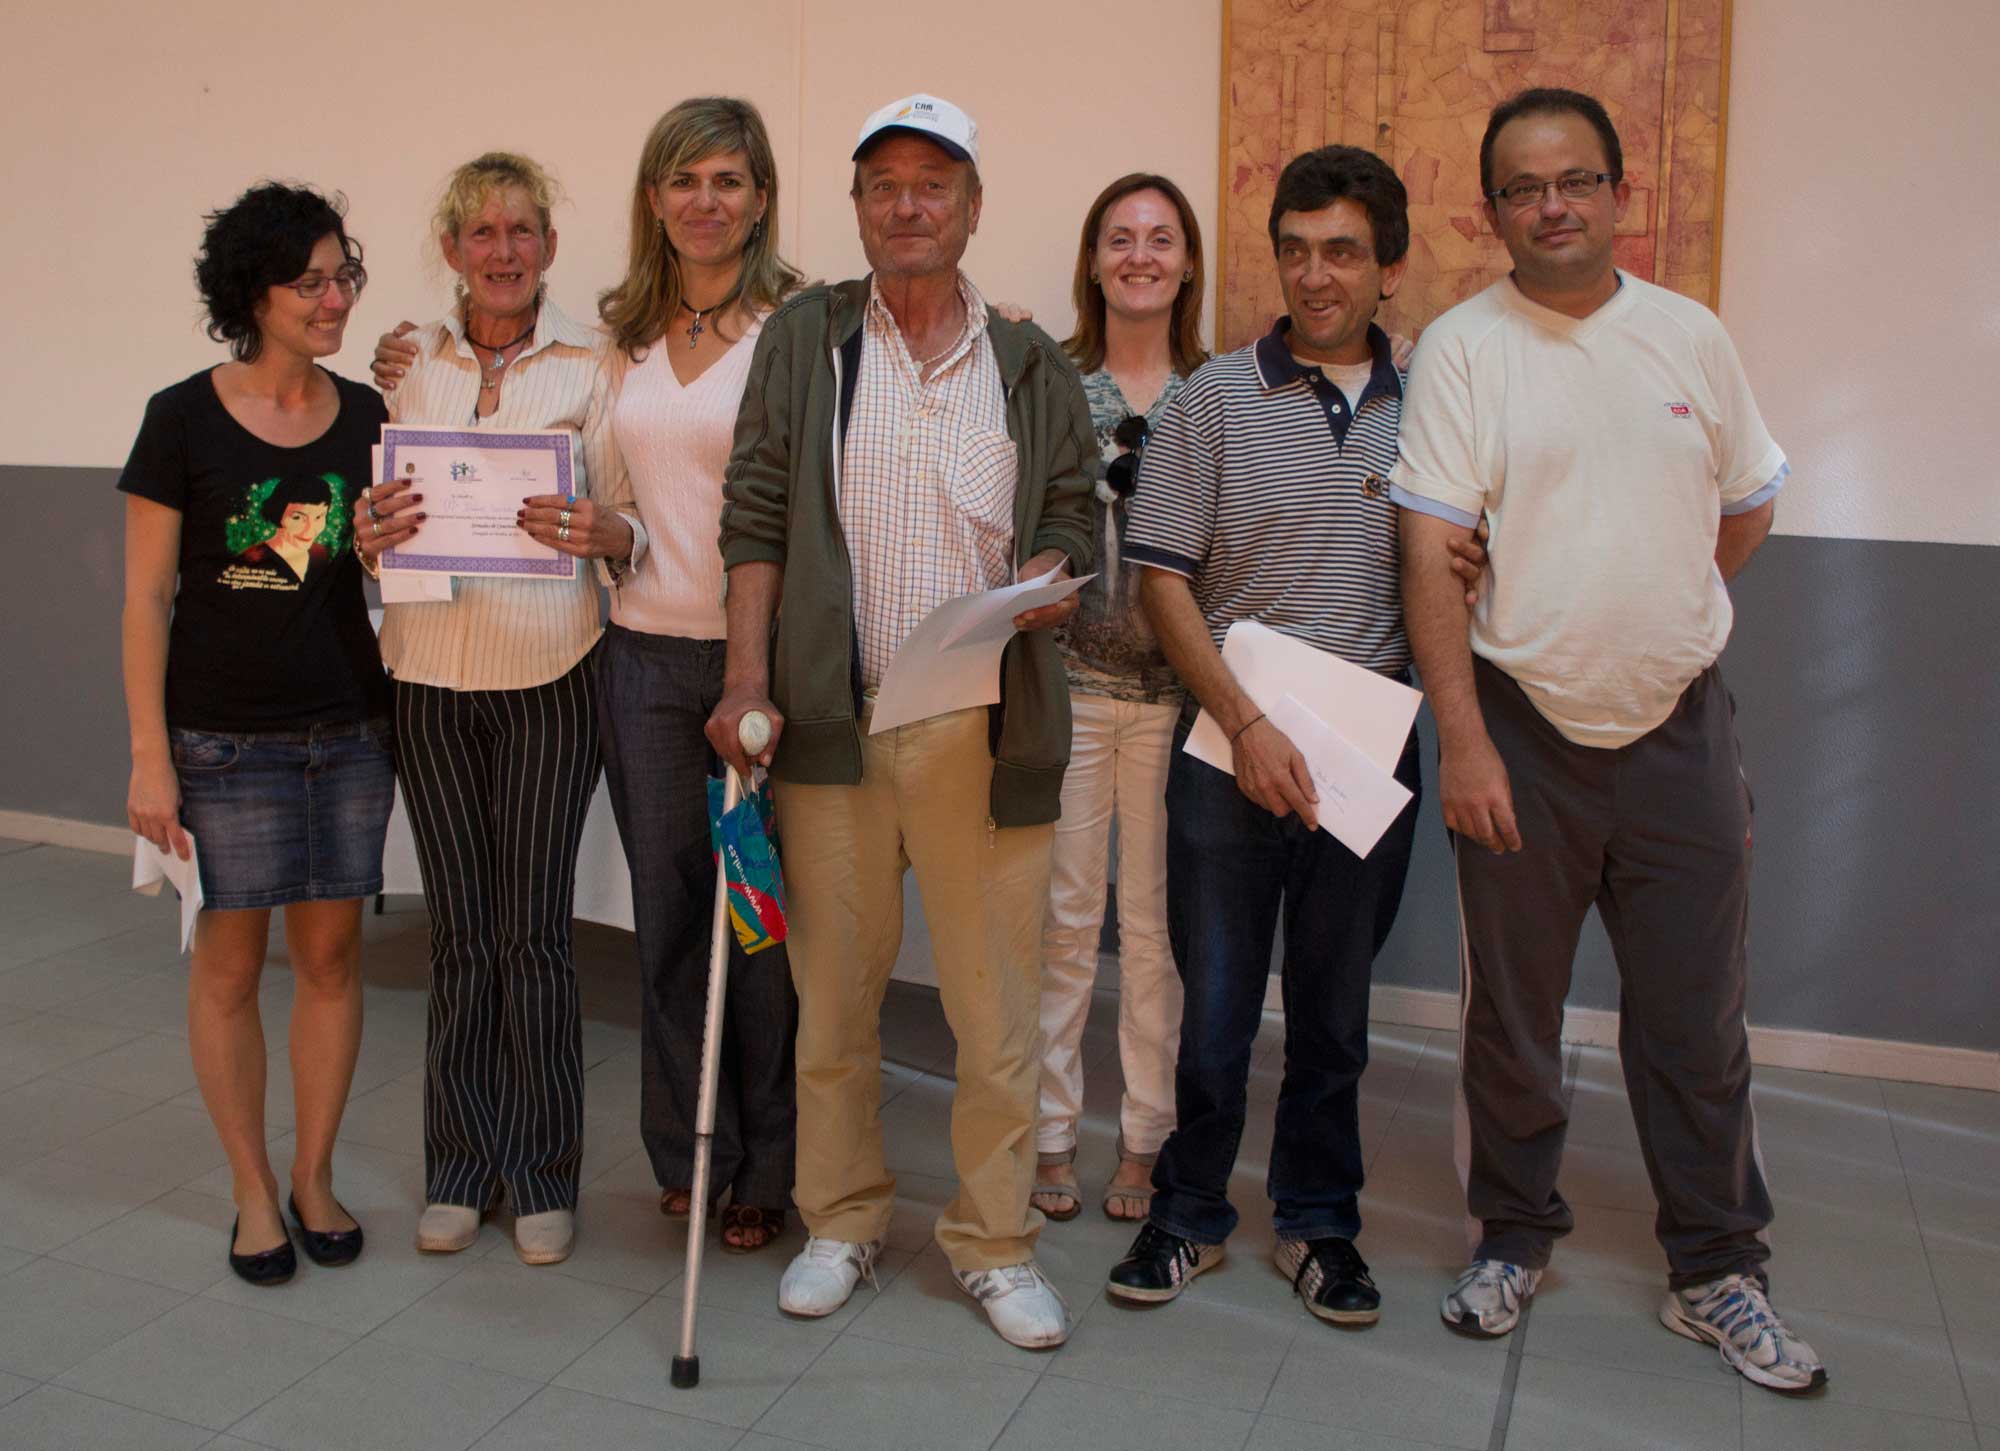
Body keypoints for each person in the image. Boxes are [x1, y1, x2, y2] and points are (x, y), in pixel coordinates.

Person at [1391, 87, 1826, 1393]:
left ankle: (1718, 1266)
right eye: (1522, 188)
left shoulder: (1689, 337)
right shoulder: (1465, 350)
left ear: (1619, 193)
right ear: (1492, 211)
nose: (1552, 206)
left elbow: (1744, 504)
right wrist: (1463, 742)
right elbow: (1429, 552)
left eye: (1575, 179)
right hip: (1520, 732)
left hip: (1681, 734)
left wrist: (1662, 603)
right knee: (1513, 1018)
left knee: (1696, 1021)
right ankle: (1512, 1234)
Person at [706, 93, 1094, 1349]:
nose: (908, 205)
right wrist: (745, 680)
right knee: (832, 1001)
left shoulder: (1028, 361)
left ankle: (993, 1240)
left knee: (993, 1011)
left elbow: (1072, 507)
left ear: (972, 206)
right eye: (884, 184)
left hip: (984, 728)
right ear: (858, 207)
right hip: (832, 723)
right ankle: (842, 1219)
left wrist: (1052, 569)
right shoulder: (806, 340)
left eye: (934, 183)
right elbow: (754, 511)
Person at [1104, 145, 1422, 1328]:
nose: (1314, 275)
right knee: (1218, 1006)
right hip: (1228, 746)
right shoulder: (1212, 400)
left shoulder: (1431, 404)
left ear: (1387, 266)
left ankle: (1318, 1222)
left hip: (1366, 747)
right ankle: (1186, 1211)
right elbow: (1161, 579)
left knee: (1334, 1013)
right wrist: (1242, 721)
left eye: (1341, 251)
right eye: (1294, 251)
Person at [355, 152, 629, 1268]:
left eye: (522, 230)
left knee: (535, 935)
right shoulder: (408, 365)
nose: (503, 250)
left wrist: (608, 532)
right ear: (453, 249)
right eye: (481, 232)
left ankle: (546, 1173)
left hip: (552, 671)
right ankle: (461, 1168)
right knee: (459, 932)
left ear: (548, 247)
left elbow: (626, 517)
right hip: (426, 673)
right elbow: (381, 515)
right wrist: (369, 534)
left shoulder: (597, 364)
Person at [121, 182, 391, 1286]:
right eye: (309, 282)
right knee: (230, 969)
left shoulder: (370, 414)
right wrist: (150, 757)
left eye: (343, 276)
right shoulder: (181, 416)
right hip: (220, 740)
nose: (335, 299)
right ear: (253, 295)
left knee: (330, 961)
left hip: (349, 730)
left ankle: (314, 1175)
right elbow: (146, 598)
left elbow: (385, 568)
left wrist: (379, 543)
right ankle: (249, 1188)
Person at [590, 97, 804, 1253]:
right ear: (654, 198)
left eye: (727, 179)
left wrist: (753, 671)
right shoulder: (621, 335)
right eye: (683, 179)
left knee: (756, 922)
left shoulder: (797, 328)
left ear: (760, 197)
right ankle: (687, 1150)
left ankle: (767, 1163)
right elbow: (627, 504)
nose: (704, 200)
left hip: (751, 673)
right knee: (668, 920)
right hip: (639, 663)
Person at [1030, 173, 1207, 1226]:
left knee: (1154, 929)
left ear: (1187, 263)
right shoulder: (1051, 381)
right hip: (1071, 689)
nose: (1139, 256)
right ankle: (1051, 1128)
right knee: (1061, 920)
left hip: (1180, 703)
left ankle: (1145, 1136)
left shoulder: (1220, 392)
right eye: (1119, 238)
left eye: (1160, 239)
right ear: (1093, 263)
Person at [235, 476, 332, 579]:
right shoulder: (251, 560)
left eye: (318, 517)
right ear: (278, 514)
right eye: (297, 517)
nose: (309, 530)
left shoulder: (320, 553)